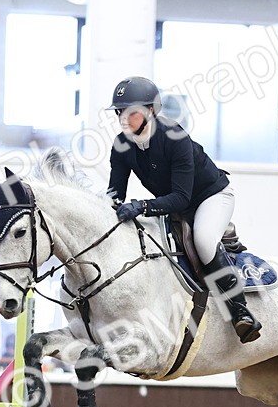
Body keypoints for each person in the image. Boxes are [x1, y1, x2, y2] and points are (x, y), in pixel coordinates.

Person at [106, 76, 261, 344]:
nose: (123, 119)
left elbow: (180, 198)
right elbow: (114, 194)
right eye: (119, 112)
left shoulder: (174, 137)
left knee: (203, 239)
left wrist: (141, 206)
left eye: (130, 112)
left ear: (150, 110)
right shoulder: (122, 145)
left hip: (210, 197)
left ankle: (240, 310)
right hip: (173, 203)